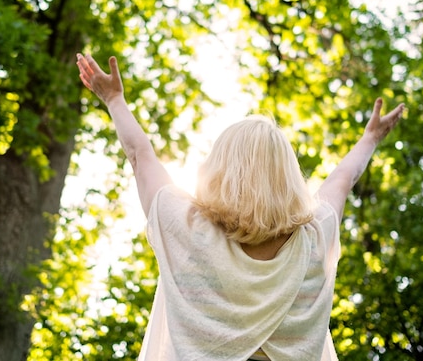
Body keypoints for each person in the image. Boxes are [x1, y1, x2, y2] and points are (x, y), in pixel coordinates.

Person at [76, 53, 405, 361]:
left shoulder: (188, 229)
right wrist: (370, 139)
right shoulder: (314, 240)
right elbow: (342, 180)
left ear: (219, 169)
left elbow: (140, 155)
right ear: (288, 176)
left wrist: (114, 100)